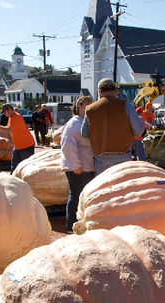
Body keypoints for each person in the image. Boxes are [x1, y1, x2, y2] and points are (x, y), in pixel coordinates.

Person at [81, 78, 144, 175]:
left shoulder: (90, 109)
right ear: (115, 91)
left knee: (103, 189)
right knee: (123, 188)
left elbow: (84, 134)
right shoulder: (126, 105)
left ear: (99, 92)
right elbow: (139, 131)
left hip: (100, 159)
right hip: (123, 158)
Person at [60, 96, 95, 233]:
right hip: (77, 168)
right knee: (75, 195)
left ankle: (78, 224)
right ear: (79, 106)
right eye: (87, 103)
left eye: (91, 103)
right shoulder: (73, 124)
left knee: (82, 196)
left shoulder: (84, 122)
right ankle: (70, 226)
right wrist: (76, 166)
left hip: (86, 166)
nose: (90, 105)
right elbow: (68, 146)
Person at [0, 103, 35, 173]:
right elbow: (7, 129)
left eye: (4, 112)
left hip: (26, 146)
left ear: (9, 109)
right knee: (14, 166)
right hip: (18, 146)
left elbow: (10, 129)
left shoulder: (17, 117)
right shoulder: (11, 117)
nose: (4, 114)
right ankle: (13, 180)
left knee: (27, 167)